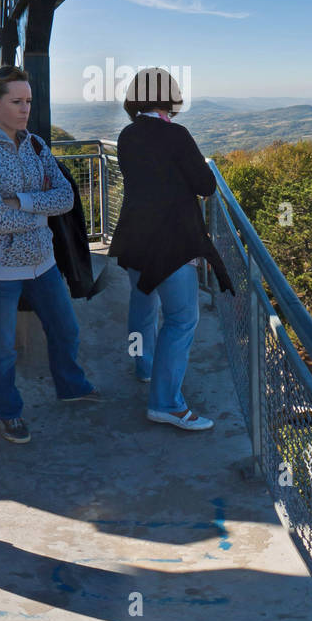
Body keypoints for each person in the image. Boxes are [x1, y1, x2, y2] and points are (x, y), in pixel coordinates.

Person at [0, 66, 98, 445]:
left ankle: (72, 386)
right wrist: (39, 209)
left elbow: (66, 199)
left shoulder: (36, 144)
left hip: (44, 262)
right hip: (0, 269)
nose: (25, 109)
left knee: (66, 330)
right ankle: (7, 413)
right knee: (1, 348)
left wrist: (20, 200)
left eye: (29, 101)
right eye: (17, 101)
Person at [108, 68, 223, 432]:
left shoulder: (127, 135)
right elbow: (206, 185)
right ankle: (166, 404)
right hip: (170, 242)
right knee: (182, 319)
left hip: (134, 238)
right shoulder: (176, 135)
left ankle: (144, 367)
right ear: (167, 99)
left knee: (143, 302)